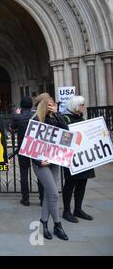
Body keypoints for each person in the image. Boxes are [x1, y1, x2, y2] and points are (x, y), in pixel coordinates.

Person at [31, 93, 69, 241]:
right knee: (54, 194)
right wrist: (39, 161)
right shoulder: (35, 120)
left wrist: (58, 114)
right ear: (42, 105)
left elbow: (67, 134)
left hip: (54, 160)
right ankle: (58, 225)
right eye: (49, 104)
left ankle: (44, 223)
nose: (51, 106)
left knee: (49, 194)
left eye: (53, 104)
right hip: (41, 163)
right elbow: (28, 146)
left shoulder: (55, 118)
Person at [61, 95, 95, 223]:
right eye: (82, 105)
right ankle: (66, 211)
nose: (84, 107)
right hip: (72, 158)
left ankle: (78, 209)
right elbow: (63, 140)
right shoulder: (66, 119)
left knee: (82, 183)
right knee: (70, 184)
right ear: (75, 106)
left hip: (84, 157)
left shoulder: (82, 118)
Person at [10, 97, 44, 206]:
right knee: (40, 173)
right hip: (35, 147)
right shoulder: (38, 116)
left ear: (21, 105)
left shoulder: (17, 117)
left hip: (23, 147)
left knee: (24, 173)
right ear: (31, 105)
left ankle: (25, 199)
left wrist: (17, 114)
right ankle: (42, 198)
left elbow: (12, 128)